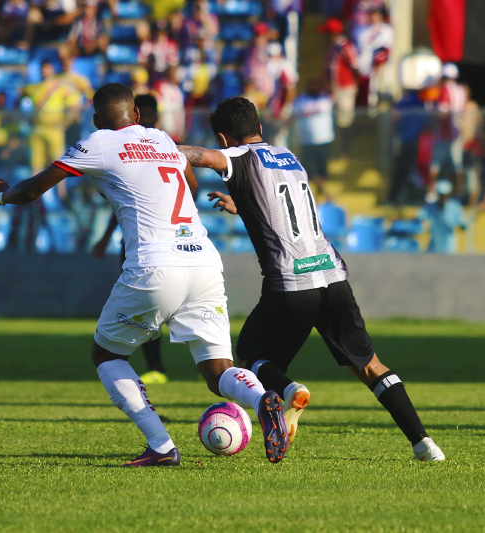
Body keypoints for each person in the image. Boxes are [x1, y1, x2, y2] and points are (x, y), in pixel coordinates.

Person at [0, 83, 289, 466]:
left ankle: (161, 446)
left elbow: (32, 191)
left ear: (98, 119)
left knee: (106, 353)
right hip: (203, 260)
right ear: (135, 114)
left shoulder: (97, 142)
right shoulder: (162, 139)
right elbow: (190, 185)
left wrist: (1, 194)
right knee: (218, 370)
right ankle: (263, 398)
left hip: (154, 264)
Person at [177, 97, 445, 461]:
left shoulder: (238, 156)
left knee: (252, 357)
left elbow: (202, 157)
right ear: (259, 126)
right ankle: (424, 443)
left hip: (291, 284)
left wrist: (160, 146)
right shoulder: (289, 156)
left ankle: (289, 391)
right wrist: (241, 203)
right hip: (332, 277)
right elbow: (287, 209)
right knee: (370, 365)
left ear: (225, 139)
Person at [92, 93, 166, 385]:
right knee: (148, 313)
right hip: (138, 244)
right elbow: (123, 206)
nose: (146, 120)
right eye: (143, 114)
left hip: (163, 244)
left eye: (150, 115)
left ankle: (216, 368)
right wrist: (105, 238)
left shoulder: (162, 145)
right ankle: (157, 368)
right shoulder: (155, 147)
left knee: (158, 309)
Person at [292, 79, 334, 201]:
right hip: (307, 141)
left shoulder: (325, 99)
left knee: (322, 168)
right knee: (309, 168)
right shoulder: (300, 100)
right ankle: (324, 193)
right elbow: (294, 113)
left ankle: (320, 191)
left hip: (324, 139)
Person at [430, 63, 467, 193]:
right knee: (457, 165)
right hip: (457, 132)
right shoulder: (461, 90)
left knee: (435, 165)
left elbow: (442, 112)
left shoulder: (445, 90)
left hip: (444, 133)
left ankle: (431, 193)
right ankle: (459, 192)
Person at [388, 89, 428, 205]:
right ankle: (396, 197)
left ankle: (399, 197)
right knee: (404, 171)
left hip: (408, 141)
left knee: (407, 171)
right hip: (408, 141)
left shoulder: (409, 102)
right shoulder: (416, 102)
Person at [319, 17, 359, 129]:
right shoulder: (332, 48)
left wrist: (354, 85)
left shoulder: (345, 46)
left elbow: (355, 67)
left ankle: (346, 145)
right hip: (334, 89)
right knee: (335, 122)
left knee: (345, 121)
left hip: (345, 88)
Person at [417, 180, 466, 254]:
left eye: (445, 195)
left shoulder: (454, 207)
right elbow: (420, 217)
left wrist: (461, 225)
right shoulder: (430, 207)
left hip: (448, 246)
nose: (443, 197)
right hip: (433, 245)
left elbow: (462, 223)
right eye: (441, 195)